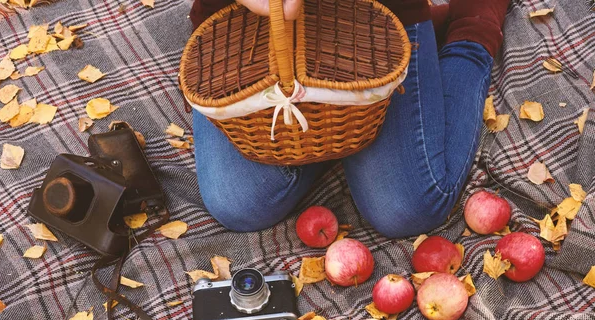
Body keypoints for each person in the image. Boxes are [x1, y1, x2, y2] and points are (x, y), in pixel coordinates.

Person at [188, 0, 510, 238]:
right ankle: (335, 132)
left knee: (404, 210)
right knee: (240, 202)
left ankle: (472, 26)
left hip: (373, 21)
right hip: (238, 25)